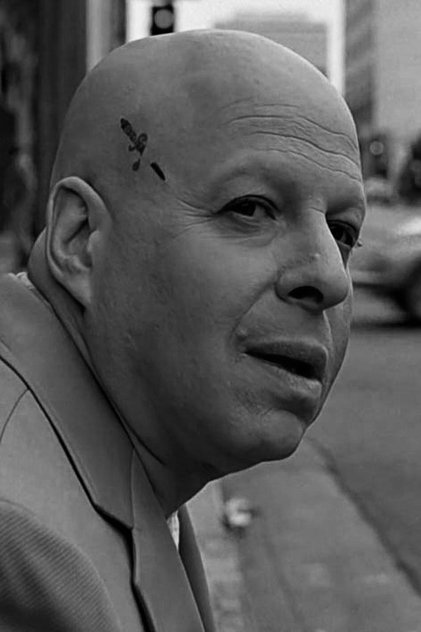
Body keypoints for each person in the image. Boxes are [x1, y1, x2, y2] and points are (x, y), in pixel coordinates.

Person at [0, 30, 365, 631]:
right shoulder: (22, 546)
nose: (330, 277)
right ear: (80, 240)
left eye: (344, 233)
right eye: (250, 208)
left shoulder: (135, 446)